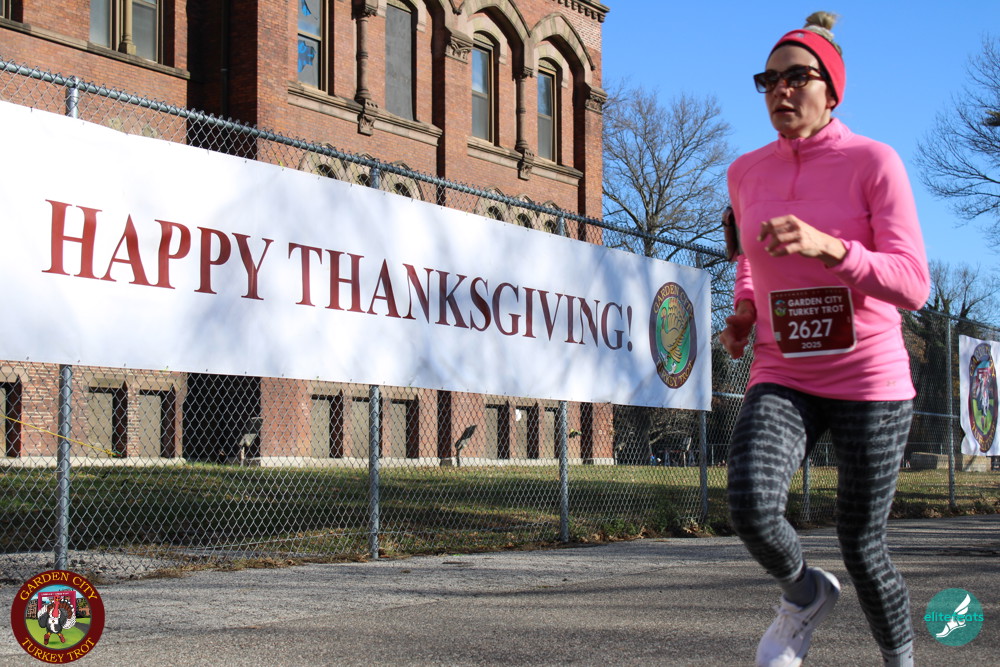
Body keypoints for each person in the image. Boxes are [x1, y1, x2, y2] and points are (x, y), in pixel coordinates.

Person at [718, 11, 930, 667]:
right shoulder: (744, 172)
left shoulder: (874, 162)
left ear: (832, 90)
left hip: (870, 377)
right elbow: (748, 258)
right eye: (768, 80)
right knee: (751, 504)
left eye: (796, 78)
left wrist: (832, 248)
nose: (779, 91)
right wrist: (745, 311)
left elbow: (913, 283)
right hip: (784, 369)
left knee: (862, 544)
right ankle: (804, 594)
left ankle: (900, 658)